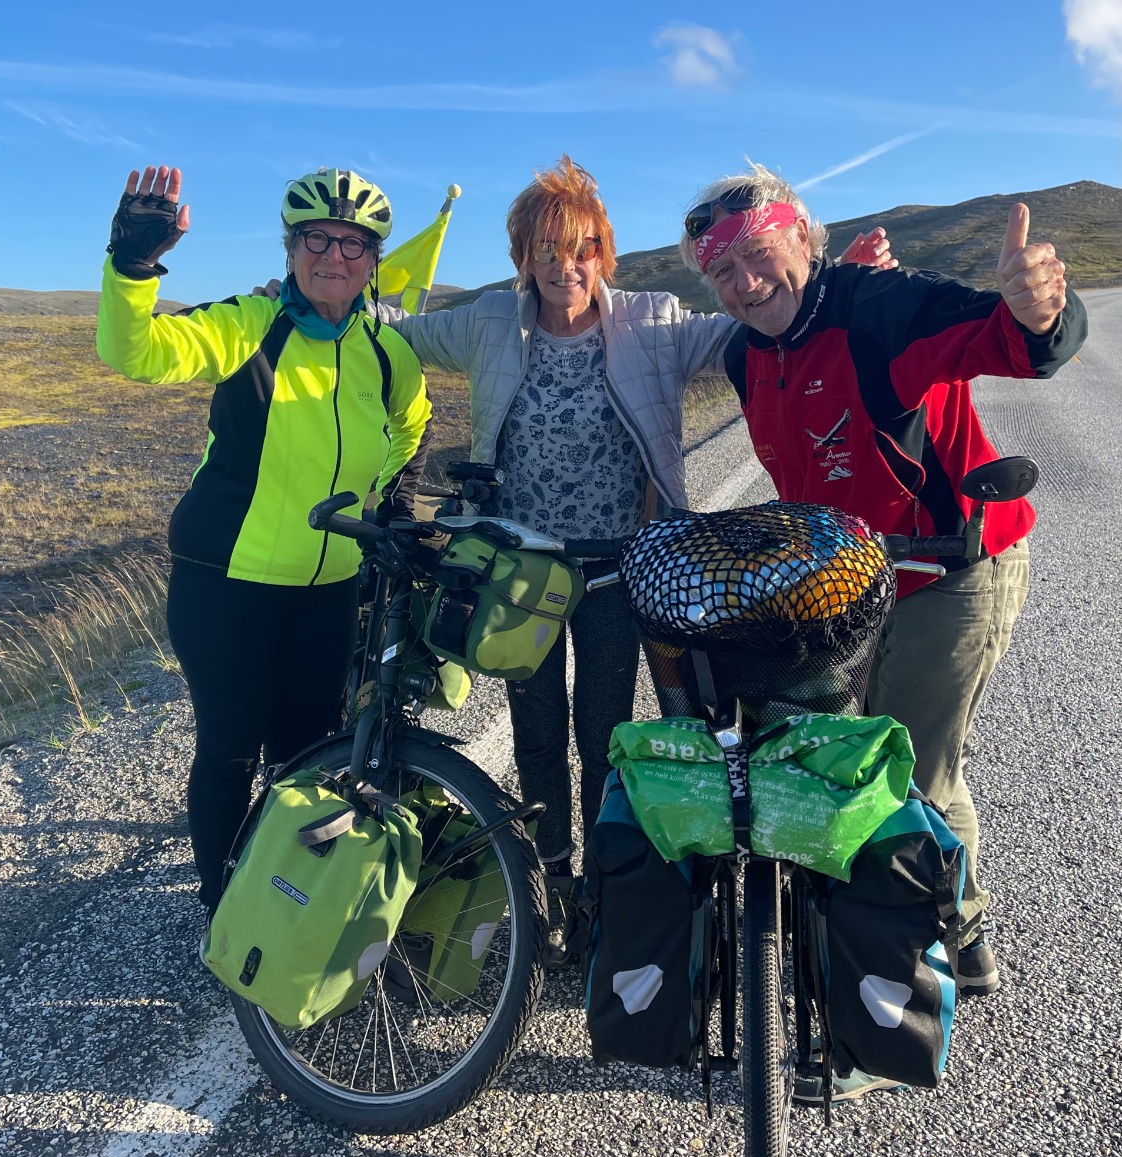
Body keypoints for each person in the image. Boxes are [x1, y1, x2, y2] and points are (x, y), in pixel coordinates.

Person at [358, 157, 896, 968]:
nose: (564, 268)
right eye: (546, 252)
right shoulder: (490, 323)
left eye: (580, 250)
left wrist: (835, 287)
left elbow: (755, 325)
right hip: (519, 579)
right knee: (536, 734)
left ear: (602, 252)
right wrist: (334, 288)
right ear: (523, 258)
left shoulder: (651, 320)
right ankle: (547, 888)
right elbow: (399, 330)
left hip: (615, 570)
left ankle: (607, 897)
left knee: (604, 732)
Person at [678, 164, 1087, 1095]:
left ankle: (885, 1013)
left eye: (757, 255)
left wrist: (1038, 313)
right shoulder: (750, 355)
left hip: (954, 564)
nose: (744, 283)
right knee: (865, 760)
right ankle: (966, 934)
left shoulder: (879, 308)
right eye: (722, 274)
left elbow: (1012, 345)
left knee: (900, 776)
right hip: (846, 581)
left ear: (801, 236)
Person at [96, 165, 432, 913]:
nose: (334, 256)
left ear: (374, 259)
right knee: (227, 750)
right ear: (290, 249)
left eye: (353, 243)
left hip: (331, 589)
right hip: (227, 583)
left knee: (305, 755)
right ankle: (222, 913)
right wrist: (132, 266)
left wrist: (390, 495)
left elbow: (412, 421)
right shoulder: (249, 325)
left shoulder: (386, 351)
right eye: (317, 238)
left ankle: (282, 905)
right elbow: (137, 354)